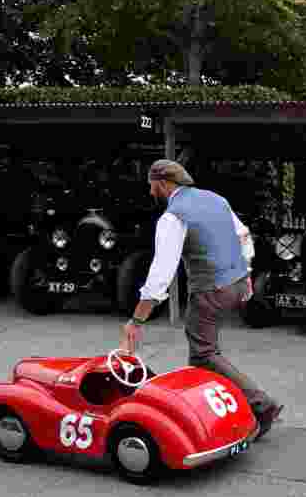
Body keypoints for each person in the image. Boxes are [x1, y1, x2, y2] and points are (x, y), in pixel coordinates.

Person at [118, 159, 283, 439]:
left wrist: (136, 320)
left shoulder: (173, 216)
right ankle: (219, 412)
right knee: (206, 352)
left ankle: (260, 405)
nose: (150, 192)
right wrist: (245, 276)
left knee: (204, 355)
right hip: (234, 283)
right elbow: (243, 236)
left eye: (150, 186)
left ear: (162, 183)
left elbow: (161, 273)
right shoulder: (216, 199)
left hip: (209, 290)